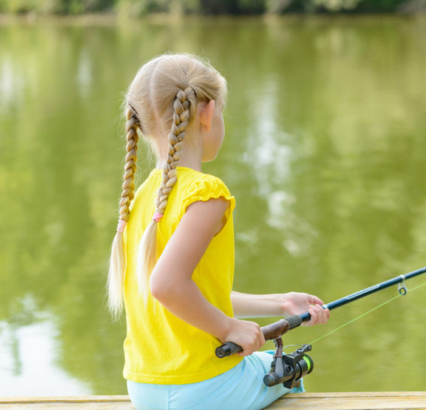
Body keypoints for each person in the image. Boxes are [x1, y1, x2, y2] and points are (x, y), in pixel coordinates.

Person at [106, 52, 330, 410]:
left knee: (267, 367)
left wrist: (280, 302)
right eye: (223, 112)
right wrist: (228, 329)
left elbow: (189, 295)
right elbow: (166, 285)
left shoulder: (141, 201)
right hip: (203, 388)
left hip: (143, 389)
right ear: (207, 113)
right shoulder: (207, 194)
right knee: (291, 371)